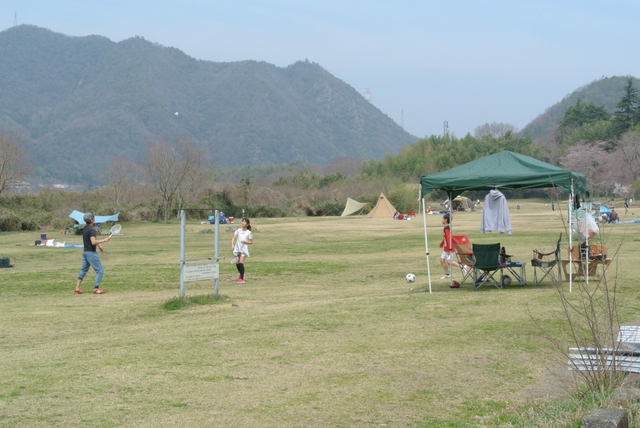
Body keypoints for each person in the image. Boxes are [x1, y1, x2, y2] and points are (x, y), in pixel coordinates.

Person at [75, 211, 111, 294]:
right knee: (100, 271)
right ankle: (96, 288)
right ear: (91, 220)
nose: (94, 218)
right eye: (93, 217)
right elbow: (93, 242)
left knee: (83, 271)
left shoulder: (85, 229)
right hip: (91, 253)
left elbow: (90, 240)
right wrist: (104, 240)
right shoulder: (92, 230)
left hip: (85, 253)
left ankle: (77, 289)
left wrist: (99, 246)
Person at [439, 213, 466, 279]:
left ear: (446, 220)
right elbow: (445, 238)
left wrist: (449, 249)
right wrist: (442, 243)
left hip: (450, 248)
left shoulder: (447, 228)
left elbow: (448, 239)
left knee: (449, 261)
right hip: (446, 248)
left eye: (443, 218)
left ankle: (462, 266)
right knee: (442, 260)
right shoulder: (445, 228)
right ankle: (447, 274)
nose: (442, 220)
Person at [231, 218, 253, 284]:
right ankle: (241, 275)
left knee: (241, 262)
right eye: (242, 221)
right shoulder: (238, 230)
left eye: (245, 222)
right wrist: (232, 245)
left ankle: (241, 278)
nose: (243, 222)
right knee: (237, 263)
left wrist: (245, 242)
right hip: (237, 249)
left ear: (247, 224)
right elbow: (233, 238)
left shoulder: (249, 233)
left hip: (243, 249)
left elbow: (251, 242)